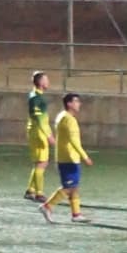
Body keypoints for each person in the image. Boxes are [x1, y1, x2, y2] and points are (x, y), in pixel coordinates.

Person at [38, 93, 93, 223]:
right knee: (68, 187)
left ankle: (76, 214)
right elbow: (74, 141)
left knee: (74, 186)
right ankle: (47, 206)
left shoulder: (61, 116)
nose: (79, 104)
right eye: (76, 101)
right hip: (69, 158)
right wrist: (85, 156)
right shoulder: (69, 119)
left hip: (63, 156)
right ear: (69, 104)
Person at [24, 71, 55, 202]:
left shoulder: (34, 95)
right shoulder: (37, 98)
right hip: (38, 133)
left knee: (39, 163)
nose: (48, 82)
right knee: (42, 163)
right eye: (46, 80)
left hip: (35, 132)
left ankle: (30, 190)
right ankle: (39, 193)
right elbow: (39, 119)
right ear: (41, 83)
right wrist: (49, 135)